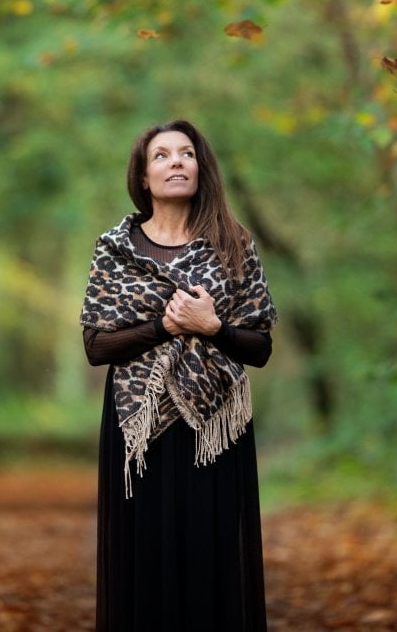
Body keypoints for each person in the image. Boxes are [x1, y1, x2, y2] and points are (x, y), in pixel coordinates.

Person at [80, 119, 277, 632]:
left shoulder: (233, 244)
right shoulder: (115, 250)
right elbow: (97, 347)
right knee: (142, 560)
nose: (176, 163)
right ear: (144, 177)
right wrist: (164, 326)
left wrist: (213, 328)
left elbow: (260, 347)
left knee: (210, 556)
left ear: (200, 167)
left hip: (214, 430)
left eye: (186, 153)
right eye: (162, 156)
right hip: (137, 429)